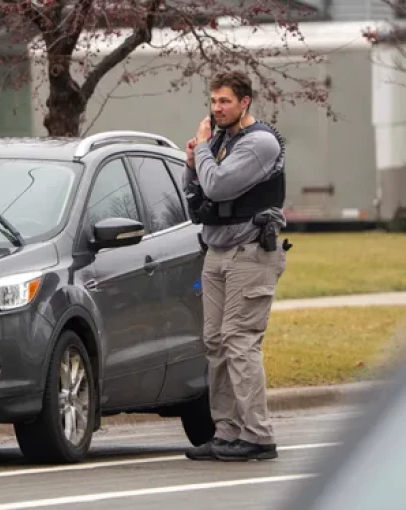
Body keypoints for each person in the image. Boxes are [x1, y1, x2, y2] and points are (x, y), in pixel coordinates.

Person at [181, 70, 290, 462]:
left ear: (245, 102)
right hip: (216, 251)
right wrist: (193, 160)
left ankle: (258, 435)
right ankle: (226, 432)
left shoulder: (259, 143)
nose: (217, 108)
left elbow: (219, 187)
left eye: (224, 101)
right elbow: (196, 191)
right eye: (213, 102)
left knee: (239, 341)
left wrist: (205, 149)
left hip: (250, 253)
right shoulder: (220, 141)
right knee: (215, 343)